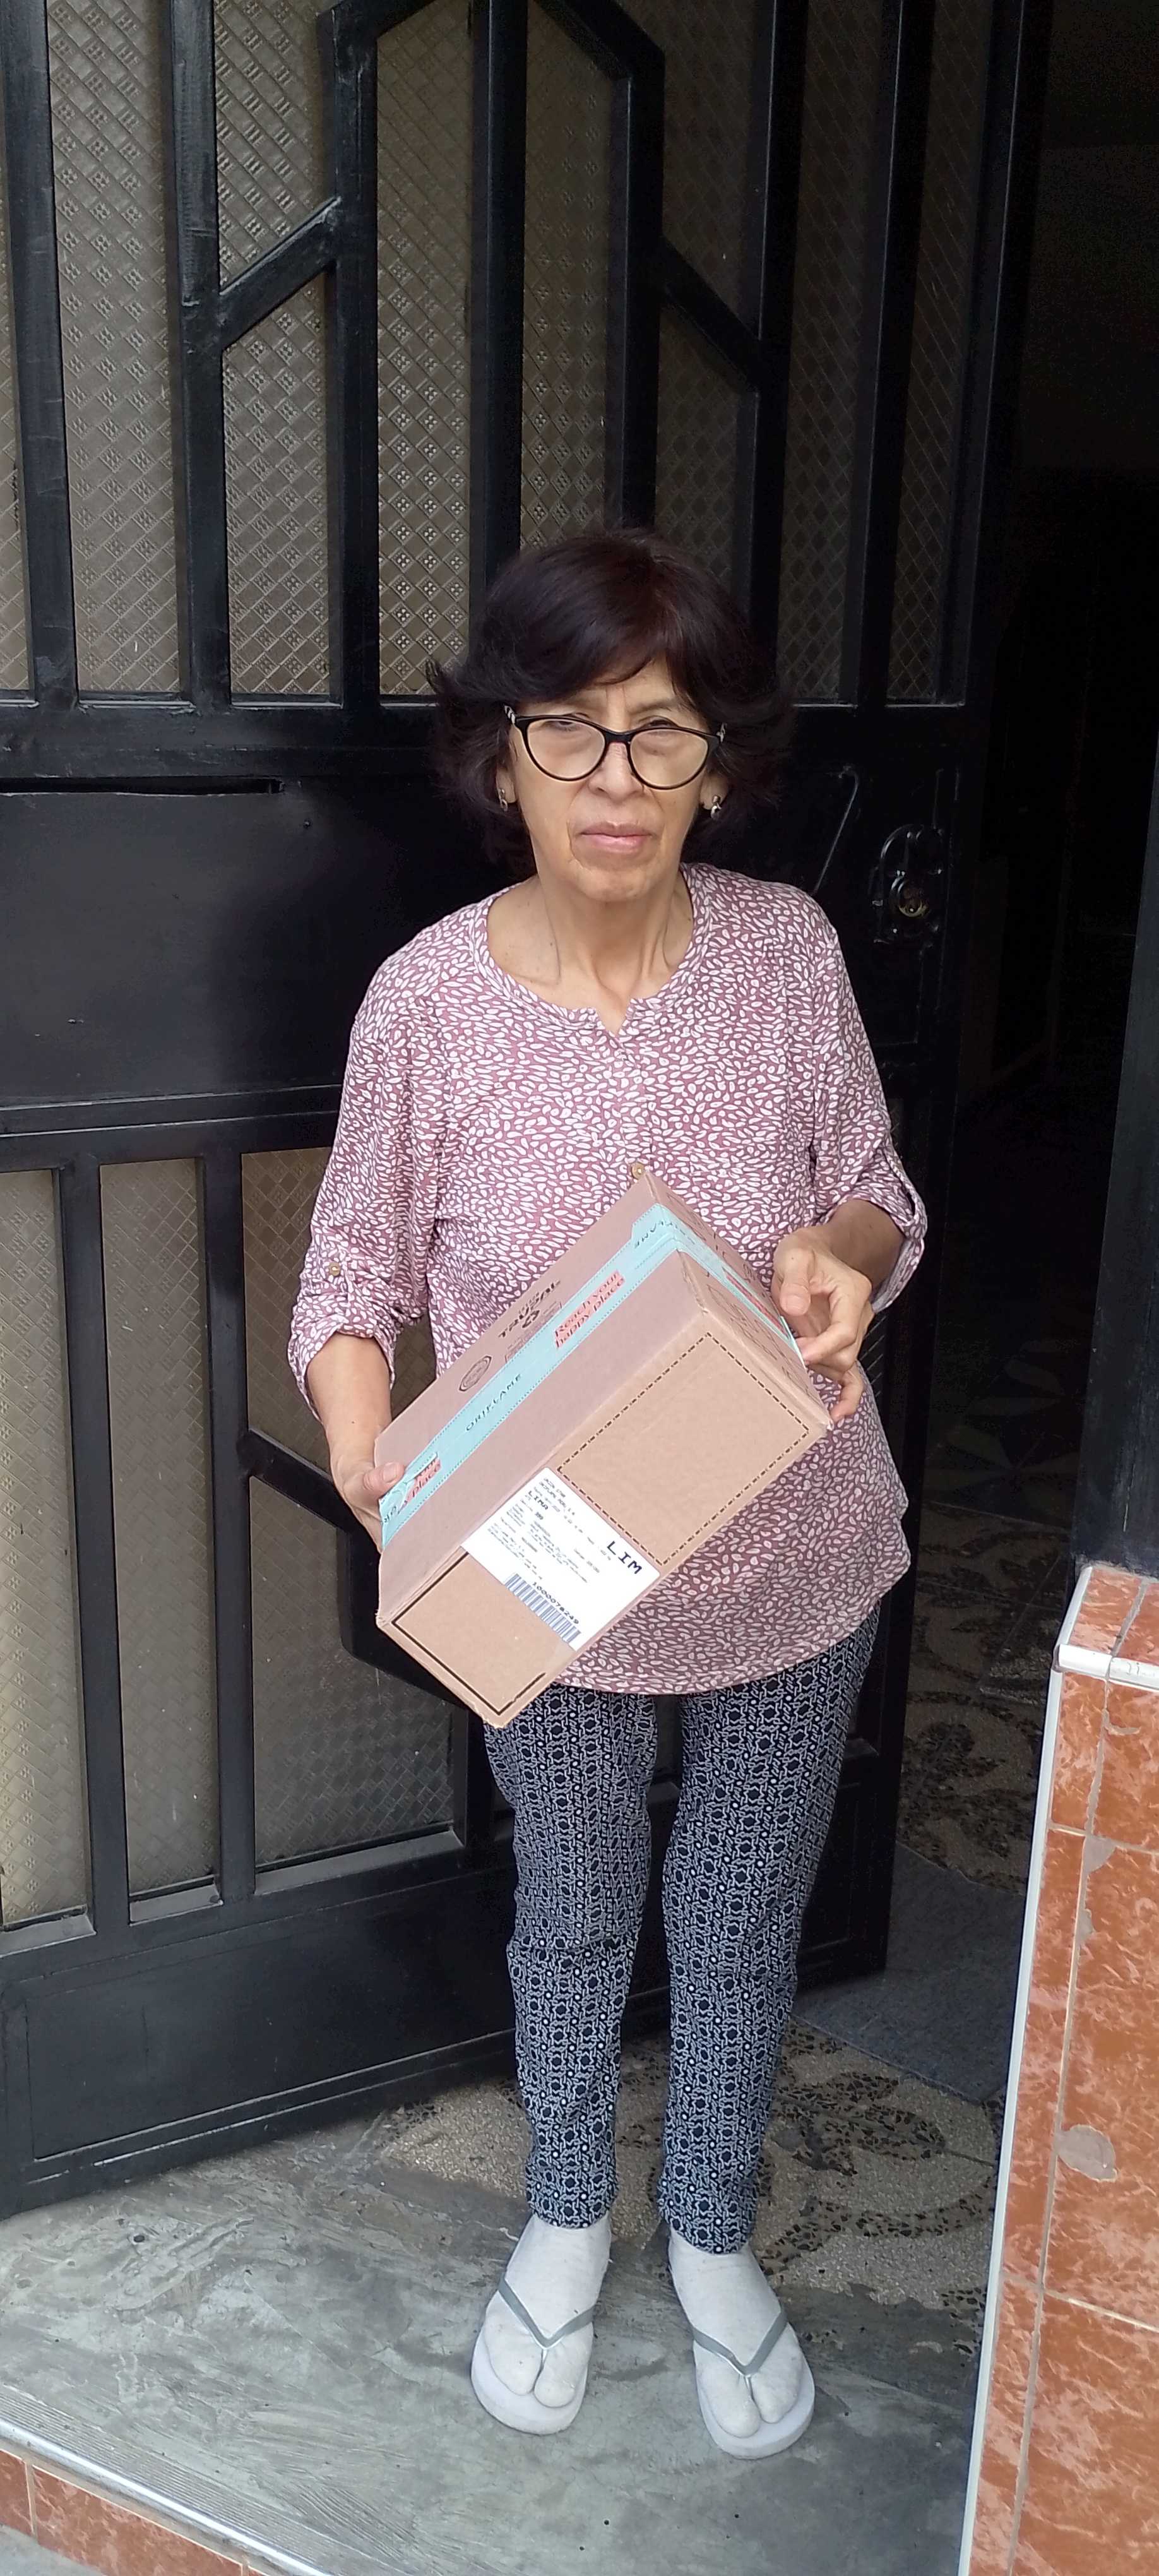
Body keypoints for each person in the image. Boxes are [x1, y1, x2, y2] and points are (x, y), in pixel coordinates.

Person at [288, 528, 925, 2461]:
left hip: (792, 1551)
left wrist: (839, 1261)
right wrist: (366, 1441)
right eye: (570, 729)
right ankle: (567, 2217)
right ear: (500, 755)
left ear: (719, 765)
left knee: (737, 1914)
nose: (616, 779)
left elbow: (878, 1194)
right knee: (570, 1911)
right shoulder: (425, 1003)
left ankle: (711, 2230)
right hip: (544, 1578)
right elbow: (349, 1279)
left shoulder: (786, 957)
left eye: (662, 732)